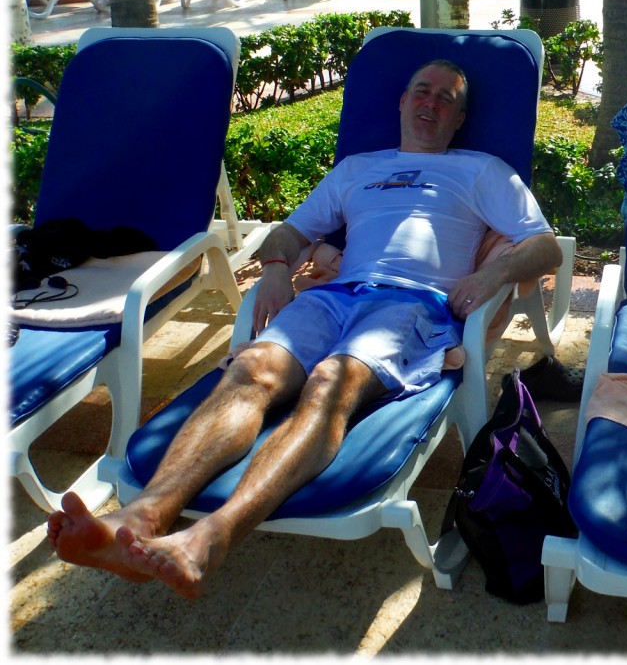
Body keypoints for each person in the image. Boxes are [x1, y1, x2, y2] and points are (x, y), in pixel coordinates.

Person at [47, 59, 563, 598]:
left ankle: (209, 539)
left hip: (414, 307)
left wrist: (493, 272)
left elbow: (543, 244)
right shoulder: (356, 169)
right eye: (422, 91)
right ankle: (141, 520)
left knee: (329, 384)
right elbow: (290, 234)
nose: (431, 103)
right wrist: (274, 270)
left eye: (446, 99)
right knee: (249, 371)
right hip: (337, 295)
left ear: (459, 119)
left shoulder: (481, 169)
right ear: (402, 101)